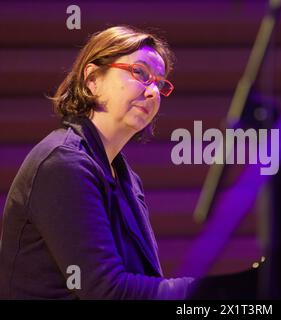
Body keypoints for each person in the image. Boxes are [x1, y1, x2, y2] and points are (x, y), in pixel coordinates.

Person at [0, 25, 194, 299]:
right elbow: (105, 291)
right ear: (92, 78)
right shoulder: (63, 163)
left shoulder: (126, 178)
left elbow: (147, 279)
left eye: (159, 83)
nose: (153, 92)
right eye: (140, 73)